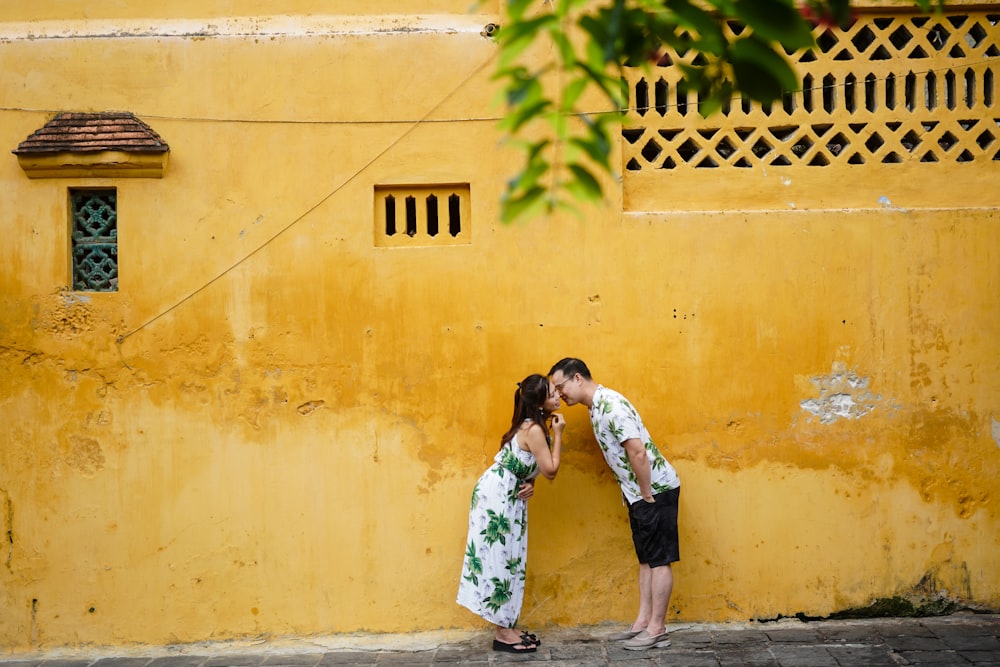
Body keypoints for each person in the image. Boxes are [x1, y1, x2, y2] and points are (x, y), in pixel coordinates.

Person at [548, 358, 680, 651]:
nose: (559, 394)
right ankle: (642, 624)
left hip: (654, 490)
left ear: (578, 378)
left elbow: (637, 451)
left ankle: (657, 629)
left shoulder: (611, 406)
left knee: (659, 560)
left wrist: (646, 493)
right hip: (639, 493)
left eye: (560, 387)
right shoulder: (596, 407)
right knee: (646, 559)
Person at [457, 373, 565, 653]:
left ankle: (508, 624)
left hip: (504, 491)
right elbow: (551, 470)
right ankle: (504, 633)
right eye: (553, 392)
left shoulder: (527, 425)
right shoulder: (537, 429)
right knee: (501, 558)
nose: (558, 395)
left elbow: (523, 462)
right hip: (498, 497)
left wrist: (529, 481)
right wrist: (559, 434)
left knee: (510, 557)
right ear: (540, 401)